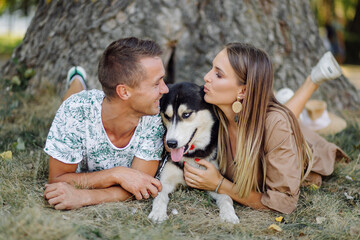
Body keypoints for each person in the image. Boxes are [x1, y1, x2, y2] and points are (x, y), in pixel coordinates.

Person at [183, 43, 349, 214]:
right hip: (264, 118)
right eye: (211, 69)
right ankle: (287, 99)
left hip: (300, 145)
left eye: (218, 74)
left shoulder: (276, 125)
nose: (206, 77)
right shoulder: (213, 108)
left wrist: (219, 184)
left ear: (243, 91)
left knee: (279, 120)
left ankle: (312, 81)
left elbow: (283, 202)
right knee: (279, 117)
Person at [43, 37, 169, 210]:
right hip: (79, 106)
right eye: (156, 83)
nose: (165, 89)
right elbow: (57, 179)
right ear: (124, 91)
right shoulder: (75, 111)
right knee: (70, 100)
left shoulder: (153, 118)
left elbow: (141, 186)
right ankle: (77, 81)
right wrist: (117, 174)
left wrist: (85, 196)